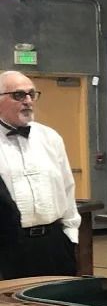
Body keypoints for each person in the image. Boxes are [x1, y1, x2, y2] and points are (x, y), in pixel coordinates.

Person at [0, 71, 81, 279]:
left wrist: (71, 237)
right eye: (19, 95)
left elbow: (67, 188)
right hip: (9, 247)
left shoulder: (50, 137)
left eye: (32, 94)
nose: (28, 101)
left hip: (53, 244)